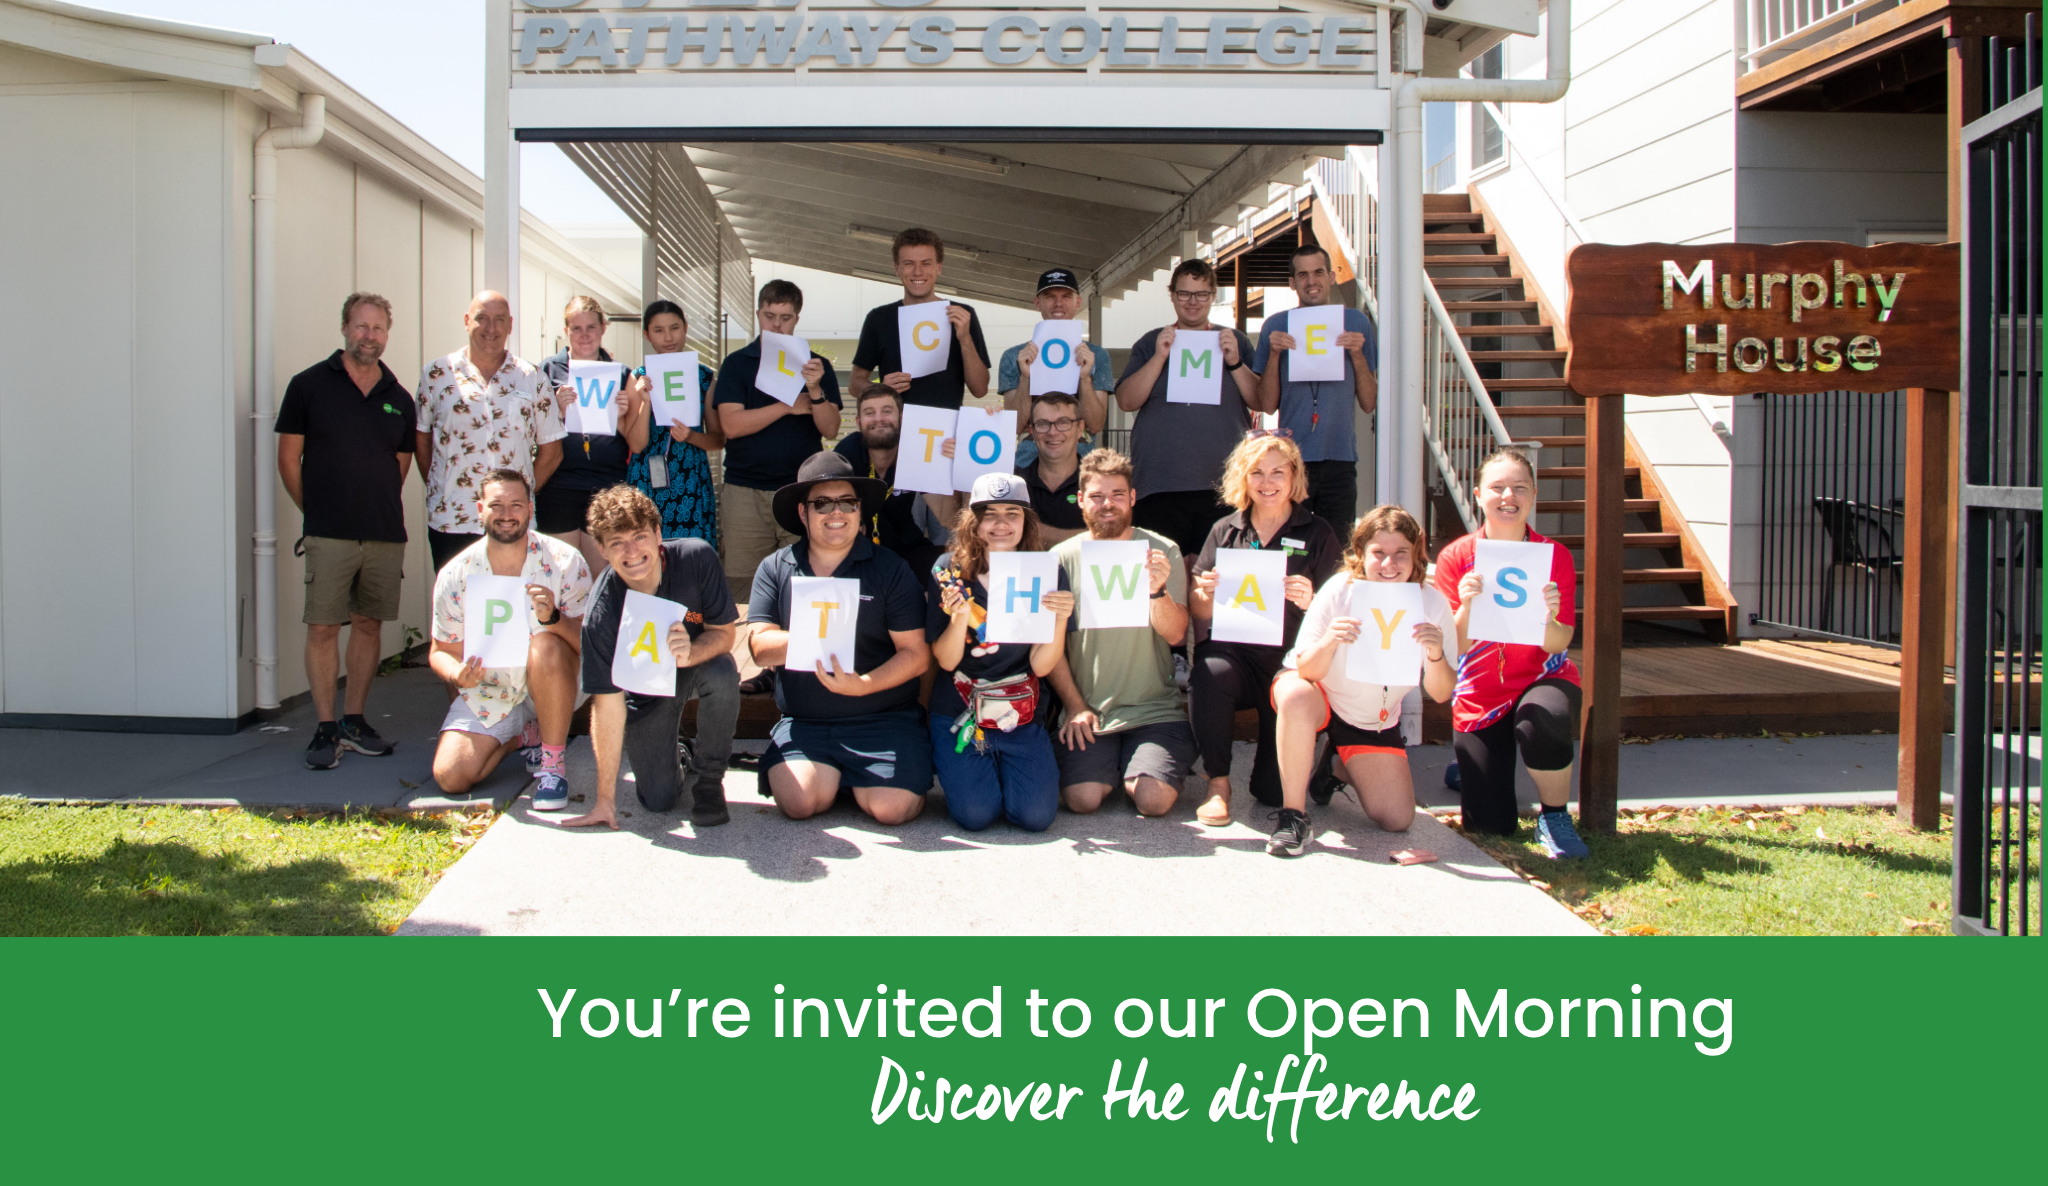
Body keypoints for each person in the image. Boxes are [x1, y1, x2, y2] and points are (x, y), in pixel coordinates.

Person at [745, 452, 933, 825]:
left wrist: (863, 685)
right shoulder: (775, 566)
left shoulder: (890, 569)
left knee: (892, 810)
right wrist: (818, 627)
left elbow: (916, 654)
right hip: (806, 722)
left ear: (860, 510)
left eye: (847, 502)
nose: (836, 513)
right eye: (822, 504)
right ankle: (834, 778)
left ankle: (857, 781)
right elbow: (759, 648)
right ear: (803, 513)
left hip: (884, 718)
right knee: (799, 804)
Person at [275, 292, 416, 770]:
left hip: (381, 533)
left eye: (377, 328)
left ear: (386, 334)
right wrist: (316, 509)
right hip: (328, 532)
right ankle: (325, 727)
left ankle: (354, 720)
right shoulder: (308, 386)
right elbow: (288, 460)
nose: (369, 336)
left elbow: (400, 466)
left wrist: (367, 504)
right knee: (322, 627)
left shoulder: (398, 397)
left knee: (369, 625)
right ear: (344, 328)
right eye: (361, 326)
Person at [1268, 505, 1457, 857]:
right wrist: (1330, 641)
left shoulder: (1431, 602)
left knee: (1397, 818)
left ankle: (1337, 764)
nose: (1390, 564)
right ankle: (1293, 817)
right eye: (1379, 553)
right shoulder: (1340, 590)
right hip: (1322, 696)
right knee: (1294, 693)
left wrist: (1435, 654)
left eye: (1401, 553)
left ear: (1416, 554)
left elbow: (1443, 693)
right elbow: (1305, 669)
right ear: (1360, 554)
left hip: (1372, 719)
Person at [1434, 447, 1588, 860]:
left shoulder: (1554, 556)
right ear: (1480, 494)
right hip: (1480, 694)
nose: (1508, 496)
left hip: (1541, 678)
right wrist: (1465, 606)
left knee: (1542, 719)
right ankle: (1471, 767)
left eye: (1519, 487)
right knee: (1490, 826)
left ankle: (1554, 818)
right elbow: (1456, 646)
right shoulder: (1457, 556)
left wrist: (1550, 616)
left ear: (1533, 495)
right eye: (1498, 487)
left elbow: (1559, 642)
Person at [1185, 433, 1343, 827]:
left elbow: (1338, 609)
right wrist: (1204, 593)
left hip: (1290, 662)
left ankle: (1327, 763)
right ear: (1243, 477)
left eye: (1277, 472)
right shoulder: (1225, 529)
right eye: (1257, 472)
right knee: (1208, 672)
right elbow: (1198, 608)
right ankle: (1218, 784)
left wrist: (1311, 601)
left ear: (1294, 477)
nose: (1267, 482)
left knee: (1273, 793)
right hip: (1233, 654)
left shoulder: (1318, 531)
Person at [563, 485, 740, 831]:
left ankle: (709, 781)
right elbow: (607, 705)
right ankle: (680, 753)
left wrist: (692, 653)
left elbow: (724, 634)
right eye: (617, 543)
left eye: (640, 536)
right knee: (658, 801)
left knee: (722, 670)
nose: (632, 551)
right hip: (644, 697)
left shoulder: (697, 557)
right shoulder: (600, 613)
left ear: (658, 533)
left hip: (691, 668)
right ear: (601, 548)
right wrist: (605, 800)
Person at [427, 469, 591, 810]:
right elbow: (441, 650)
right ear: (479, 509)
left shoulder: (564, 561)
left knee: (544, 644)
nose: (506, 514)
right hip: (490, 690)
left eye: (516, 505)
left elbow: (592, 645)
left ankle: (552, 765)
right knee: (451, 776)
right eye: (496, 505)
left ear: (530, 509)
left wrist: (554, 620)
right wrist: (456, 673)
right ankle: (523, 736)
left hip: (554, 680)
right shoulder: (456, 574)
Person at [1046, 449, 1194, 817]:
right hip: (1090, 711)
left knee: (1153, 801)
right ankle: (1111, 763)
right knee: (1082, 800)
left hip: (1154, 710)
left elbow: (1176, 635)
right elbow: (1050, 648)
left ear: (1132, 498)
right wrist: (1075, 706)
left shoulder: (1162, 550)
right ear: (1081, 500)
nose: (1107, 504)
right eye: (1096, 496)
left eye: (1116, 495)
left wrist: (1157, 591)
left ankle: (1144, 762)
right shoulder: (1060, 558)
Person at [928, 473, 1075, 832]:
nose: (1001, 524)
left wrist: (1059, 621)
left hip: (1018, 710)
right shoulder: (949, 570)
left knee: (1036, 816)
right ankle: (981, 769)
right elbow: (946, 660)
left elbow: (1041, 666)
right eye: (990, 514)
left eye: (1013, 513)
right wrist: (960, 617)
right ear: (975, 524)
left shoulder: (1047, 571)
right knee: (976, 815)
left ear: (1026, 522)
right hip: (960, 710)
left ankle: (1002, 766)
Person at [1113, 258, 1258, 560]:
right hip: (1160, 485)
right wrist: (1158, 357)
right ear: (1172, 296)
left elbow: (1260, 401)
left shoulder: (1235, 341)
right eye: (1184, 294)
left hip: (1224, 486)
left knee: (1215, 585)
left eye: (1201, 294)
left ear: (1213, 295)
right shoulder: (1151, 341)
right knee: (1162, 584)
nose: (1192, 302)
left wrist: (1234, 361)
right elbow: (1127, 401)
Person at [716, 280, 843, 605]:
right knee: (743, 590)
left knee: (807, 583)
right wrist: (788, 406)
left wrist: (815, 391)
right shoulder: (737, 363)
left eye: (785, 317)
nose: (776, 324)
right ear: (758, 314)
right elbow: (730, 425)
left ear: (797, 318)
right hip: (744, 492)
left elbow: (830, 429)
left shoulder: (816, 366)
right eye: (769, 315)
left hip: (800, 491)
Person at [417, 290, 565, 571]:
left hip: (513, 523)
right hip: (452, 518)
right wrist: (443, 487)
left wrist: (520, 497)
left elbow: (552, 451)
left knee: (511, 605)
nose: (491, 328)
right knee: (456, 606)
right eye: (481, 318)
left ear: (510, 324)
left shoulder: (531, 377)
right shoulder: (436, 374)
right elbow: (421, 438)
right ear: (466, 320)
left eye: (499, 320)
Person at [1249, 244, 1379, 541]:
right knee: (1292, 548)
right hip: (1291, 463)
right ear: (1292, 283)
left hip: (1340, 459)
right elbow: (1267, 405)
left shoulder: (1356, 323)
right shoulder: (1276, 325)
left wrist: (1357, 355)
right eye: (1303, 274)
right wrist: (1273, 355)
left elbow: (1369, 402)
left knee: (1336, 548)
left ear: (1332, 277)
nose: (1312, 281)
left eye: (1319, 272)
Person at [539, 296, 645, 575]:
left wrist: (624, 414)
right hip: (559, 486)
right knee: (562, 575)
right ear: (566, 331)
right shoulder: (547, 371)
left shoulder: (622, 374)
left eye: (590, 327)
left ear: (603, 329)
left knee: (601, 577)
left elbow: (635, 440)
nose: (584, 335)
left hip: (605, 486)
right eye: (576, 328)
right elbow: (531, 431)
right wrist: (556, 410)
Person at [850, 227, 991, 410]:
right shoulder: (879, 319)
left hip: (945, 432)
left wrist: (964, 338)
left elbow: (980, 390)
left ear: (938, 268)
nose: (918, 272)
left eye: (926, 263)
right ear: (897, 269)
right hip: (897, 430)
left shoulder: (962, 314)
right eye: (909, 263)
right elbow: (855, 383)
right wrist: (881, 389)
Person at [624, 299, 723, 548]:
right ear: (647, 335)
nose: (668, 337)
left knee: (693, 559)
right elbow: (636, 445)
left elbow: (718, 439)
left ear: (685, 328)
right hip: (647, 482)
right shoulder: (637, 378)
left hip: (691, 480)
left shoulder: (705, 377)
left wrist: (691, 436)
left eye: (674, 328)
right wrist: (645, 402)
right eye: (658, 330)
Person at [998, 267, 1111, 468]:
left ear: (1078, 302)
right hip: (1029, 463)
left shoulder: (1097, 356)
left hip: (1082, 464)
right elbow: (1015, 426)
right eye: (1050, 297)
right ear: (1037, 303)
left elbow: (1095, 425)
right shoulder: (1014, 356)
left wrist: (1085, 378)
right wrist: (1025, 377)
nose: (1058, 303)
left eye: (1066, 296)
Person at [833, 386, 943, 574]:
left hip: (906, 547)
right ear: (858, 422)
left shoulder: (918, 450)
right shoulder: (846, 454)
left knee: (942, 575)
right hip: (858, 548)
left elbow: (945, 515)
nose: (879, 419)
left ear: (901, 418)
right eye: (870, 413)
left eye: (887, 411)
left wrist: (947, 466)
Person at [1015, 392, 1091, 545]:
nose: (1053, 432)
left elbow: (1112, 539)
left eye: (1063, 422)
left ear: (1080, 428)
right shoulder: (1014, 484)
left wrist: (1029, 530)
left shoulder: (1100, 484)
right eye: (1043, 424)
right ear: (1032, 431)